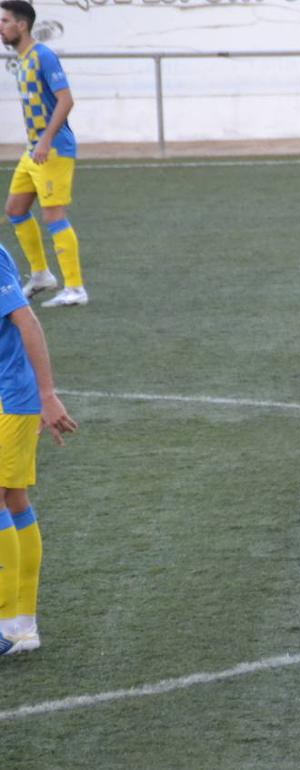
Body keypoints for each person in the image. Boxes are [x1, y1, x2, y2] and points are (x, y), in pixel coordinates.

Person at [0, 242, 78, 656]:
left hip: (11, 394)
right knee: (12, 498)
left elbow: (26, 320)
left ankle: (10, 626)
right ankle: (21, 626)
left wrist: (47, 395)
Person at [0, 1, 87, 308]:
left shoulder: (43, 56)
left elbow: (66, 100)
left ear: (21, 25)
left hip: (53, 150)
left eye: (5, 20)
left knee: (53, 215)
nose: (1, 26)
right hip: (34, 151)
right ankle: (41, 276)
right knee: (15, 209)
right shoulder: (23, 59)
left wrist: (46, 140)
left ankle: (75, 288)